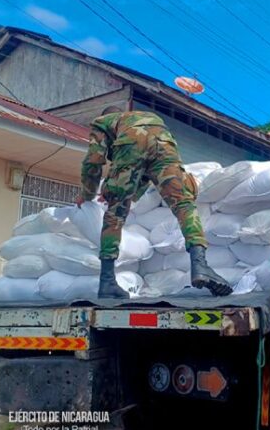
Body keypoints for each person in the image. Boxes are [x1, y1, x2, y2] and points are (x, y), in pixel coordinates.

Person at [77, 106, 231, 298]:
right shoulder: (145, 116)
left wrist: (89, 194)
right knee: (184, 204)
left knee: (115, 214)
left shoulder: (103, 122)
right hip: (163, 140)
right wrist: (131, 194)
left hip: (131, 143)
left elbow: (93, 161)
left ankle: (107, 281)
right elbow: (145, 172)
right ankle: (200, 265)